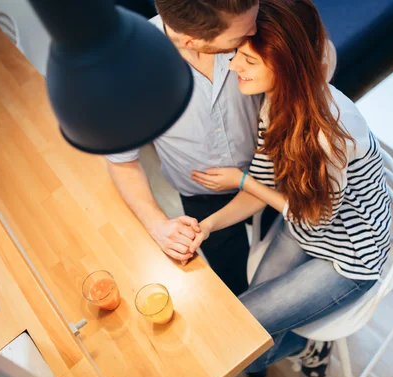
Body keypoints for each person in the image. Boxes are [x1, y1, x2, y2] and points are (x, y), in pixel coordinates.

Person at [188, 0, 392, 377]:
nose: (233, 69)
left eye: (246, 60)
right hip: (303, 227)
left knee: (242, 346)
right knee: (245, 330)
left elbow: (314, 215)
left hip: (349, 253)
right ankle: (304, 340)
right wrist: (206, 226)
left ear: (283, 62)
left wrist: (242, 180)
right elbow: (265, 186)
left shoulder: (329, 133)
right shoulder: (275, 103)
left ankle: (312, 344)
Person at [106, 0, 272, 296]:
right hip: (204, 199)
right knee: (239, 288)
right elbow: (122, 162)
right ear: (190, 41)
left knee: (283, 270)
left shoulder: (250, 15)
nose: (254, 30)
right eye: (239, 38)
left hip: (272, 172)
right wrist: (158, 225)